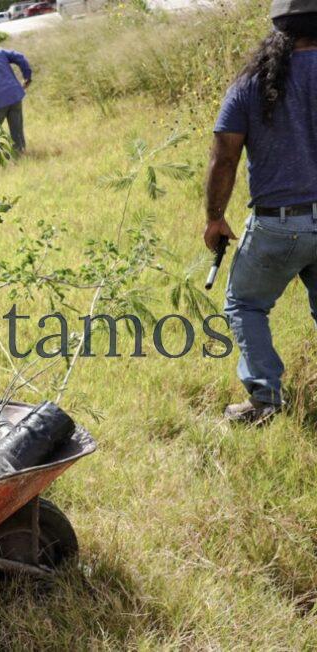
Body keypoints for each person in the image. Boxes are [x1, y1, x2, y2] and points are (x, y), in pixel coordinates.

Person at [204, 0, 317, 426]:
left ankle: (265, 401)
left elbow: (224, 158)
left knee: (245, 304)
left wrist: (215, 217)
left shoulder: (252, 83)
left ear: (280, 30)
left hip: (278, 224)